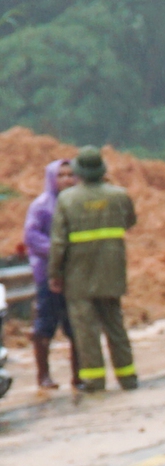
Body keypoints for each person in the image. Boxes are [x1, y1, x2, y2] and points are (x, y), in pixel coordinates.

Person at [50, 147, 137, 393]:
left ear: (79, 171)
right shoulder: (119, 195)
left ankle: (95, 381)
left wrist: (54, 273)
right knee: (115, 325)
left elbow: (58, 242)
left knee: (85, 329)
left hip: (78, 274)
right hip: (111, 270)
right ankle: (127, 377)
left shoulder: (66, 200)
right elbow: (130, 221)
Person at [21, 159, 65, 390]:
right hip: (47, 273)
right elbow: (31, 236)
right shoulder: (41, 206)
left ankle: (79, 374)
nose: (67, 179)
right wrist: (58, 250)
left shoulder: (74, 203)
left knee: (75, 324)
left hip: (73, 274)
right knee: (45, 323)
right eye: (62, 175)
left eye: (71, 175)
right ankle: (43, 374)